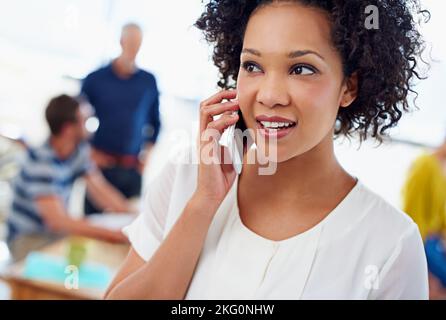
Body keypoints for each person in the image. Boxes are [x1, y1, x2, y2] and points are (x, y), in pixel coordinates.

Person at [106, 0, 429, 299]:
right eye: (253, 66)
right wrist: (202, 207)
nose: (270, 95)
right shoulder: (188, 178)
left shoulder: (391, 244)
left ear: (349, 86)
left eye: (301, 68)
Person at [7, 94, 132, 258]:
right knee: (84, 261)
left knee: (97, 252)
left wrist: (131, 214)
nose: (90, 125)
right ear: (68, 128)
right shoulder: (41, 164)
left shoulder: (78, 151)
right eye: (85, 120)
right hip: (28, 238)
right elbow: (57, 221)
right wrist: (113, 234)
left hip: (54, 233)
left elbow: (101, 190)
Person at [81, 23, 161, 215]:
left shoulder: (148, 81)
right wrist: (88, 152)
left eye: (138, 43)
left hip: (132, 170)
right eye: (130, 42)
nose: (134, 48)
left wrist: (146, 157)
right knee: (94, 227)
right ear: (121, 41)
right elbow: (78, 120)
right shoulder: (95, 79)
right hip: (101, 169)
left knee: (128, 227)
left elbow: (156, 124)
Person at [402, 141, 446, 298]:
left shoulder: (440, 170)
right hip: (422, 239)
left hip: (434, 240)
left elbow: (441, 214)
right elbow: (411, 205)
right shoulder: (424, 164)